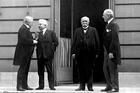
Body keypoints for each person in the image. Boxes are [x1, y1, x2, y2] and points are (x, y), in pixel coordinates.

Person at [71, 16, 100, 91]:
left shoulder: (93, 30)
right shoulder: (77, 30)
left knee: (89, 70)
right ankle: (81, 86)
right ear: (81, 22)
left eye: (86, 21)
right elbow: (74, 42)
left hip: (90, 54)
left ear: (88, 22)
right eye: (83, 21)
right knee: (80, 70)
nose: (84, 23)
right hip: (79, 54)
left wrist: (97, 52)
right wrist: (73, 52)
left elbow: (97, 42)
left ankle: (90, 86)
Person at [13, 16, 37, 91]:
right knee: (22, 70)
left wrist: (33, 39)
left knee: (25, 69)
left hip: (26, 53)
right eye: (31, 22)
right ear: (27, 22)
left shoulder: (25, 29)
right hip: (23, 54)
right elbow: (24, 40)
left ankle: (24, 85)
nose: (32, 23)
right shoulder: (23, 29)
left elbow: (26, 39)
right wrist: (33, 41)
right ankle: (19, 86)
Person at [101, 9, 121, 92]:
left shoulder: (114, 24)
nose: (102, 17)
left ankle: (115, 87)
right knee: (105, 68)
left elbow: (114, 39)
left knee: (112, 69)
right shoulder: (108, 25)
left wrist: (111, 52)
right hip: (106, 51)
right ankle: (109, 86)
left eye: (104, 15)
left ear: (108, 15)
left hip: (111, 51)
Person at [35, 19, 58, 90]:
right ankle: (41, 86)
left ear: (45, 25)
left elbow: (56, 42)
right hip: (40, 56)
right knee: (40, 71)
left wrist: (51, 51)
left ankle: (51, 86)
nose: (39, 25)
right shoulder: (37, 33)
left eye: (40, 24)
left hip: (48, 56)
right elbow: (36, 42)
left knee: (49, 71)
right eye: (38, 24)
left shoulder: (51, 33)